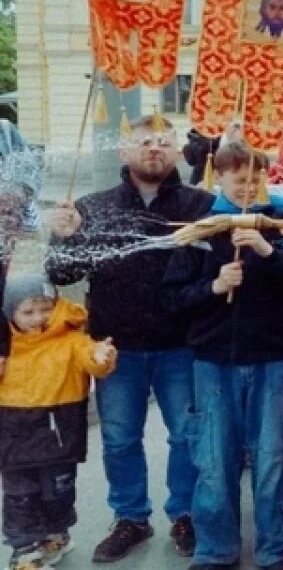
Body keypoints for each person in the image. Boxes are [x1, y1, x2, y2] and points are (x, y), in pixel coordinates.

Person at [44, 115, 211, 563]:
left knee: (188, 435)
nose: (153, 148)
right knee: (119, 438)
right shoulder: (93, 207)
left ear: (177, 151)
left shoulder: (201, 205)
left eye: (163, 141)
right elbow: (62, 274)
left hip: (181, 344)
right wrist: (62, 238)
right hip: (116, 348)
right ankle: (131, 518)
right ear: (123, 151)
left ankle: (186, 514)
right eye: (143, 142)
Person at [161, 143, 283, 570]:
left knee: (271, 459)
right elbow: (174, 299)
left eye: (255, 178)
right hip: (213, 362)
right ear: (221, 179)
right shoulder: (202, 229)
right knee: (214, 459)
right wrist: (213, 287)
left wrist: (269, 254)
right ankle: (215, 549)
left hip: (272, 359)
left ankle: (276, 550)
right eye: (239, 179)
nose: (248, 187)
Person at [0, 273, 116, 570]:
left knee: (58, 491)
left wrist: (102, 356)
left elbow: (91, 359)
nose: (38, 317)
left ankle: (57, 533)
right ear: (9, 312)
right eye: (28, 311)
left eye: (45, 308)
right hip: (13, 435)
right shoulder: (5, 347)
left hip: (58, 433)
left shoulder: (72, 339)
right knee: (19, 495)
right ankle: (24, 549)